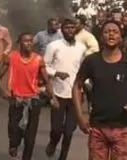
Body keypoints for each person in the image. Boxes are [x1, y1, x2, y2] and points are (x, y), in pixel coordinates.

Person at [72, 21, 127, 160]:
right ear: (101, 37)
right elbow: (77, 86)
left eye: (115, 31)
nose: (111, 34)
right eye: (107, 32)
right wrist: (79, 117)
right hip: (97, 128)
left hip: (122, 128)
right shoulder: (91, 61)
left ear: (120, 37)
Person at [0, 33, 56, 160]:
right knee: (13, 129)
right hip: (16, 99)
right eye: (25, 41)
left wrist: (52, 98)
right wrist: (3, 91)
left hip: (33, 101)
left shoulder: (38, 60)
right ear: (19, 43)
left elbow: (47, 81)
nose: (28, 43)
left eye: (30, 41)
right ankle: (14, 145)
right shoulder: (11, 57)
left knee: (30, 137)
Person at [43, 18, 87, 160]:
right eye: (67, 28)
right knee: (56, 129)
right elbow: (44, 67)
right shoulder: (53, 46)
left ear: (76, 29)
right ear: (62, 30)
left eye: (72, 28)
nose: (70, 30)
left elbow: (83, 70)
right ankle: (53, 143)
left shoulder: (81, 48)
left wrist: (86, 85)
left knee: (69, 132)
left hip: (74, 95)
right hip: (57, 94)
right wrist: (56, 73)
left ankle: (63, 157)